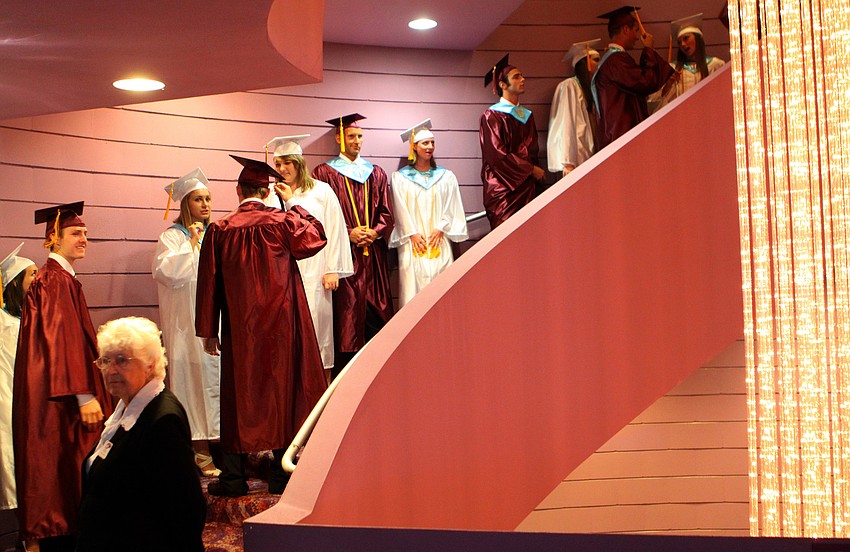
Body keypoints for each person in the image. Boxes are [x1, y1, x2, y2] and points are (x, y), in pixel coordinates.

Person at [196, 155, 328, 497]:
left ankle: (234, 478)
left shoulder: (220, 228)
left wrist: (209, 329)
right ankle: (281, 474)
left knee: (241, 394)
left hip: (241, 327)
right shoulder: (282, 220)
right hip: (283, 322)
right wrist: (292, 203)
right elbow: (315, 237)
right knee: (282, 390)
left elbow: (208, 281)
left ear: (238, 191)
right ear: (267, 191)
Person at [13, 202, 112, 552]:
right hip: (62, 396)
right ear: (53, 238)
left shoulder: (57, 278)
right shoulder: (54, 281)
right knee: (63, 468)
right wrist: (84, 394)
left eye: (85, 233)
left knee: (63, 472)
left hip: (56, 390)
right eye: (75, 233)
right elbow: (62, 339)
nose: (83, 238)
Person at [77, 317, 205, 552]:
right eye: (105, 361)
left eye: (122, 360)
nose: (111, 369)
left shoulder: (163, 419)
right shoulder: (123, 411)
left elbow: (186, 509)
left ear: (150, 364)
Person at [311, 114, 395, 379]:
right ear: (338, 138)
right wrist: (348, 233)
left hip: (374, 257)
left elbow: (387, 213)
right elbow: (319, 216)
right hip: (344, 257)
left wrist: (375, 231)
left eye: (360, 136)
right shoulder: (324, 173)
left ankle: (380, 374)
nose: (357, 141)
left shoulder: (376, 173)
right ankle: (346, 380)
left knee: (376, 312)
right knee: (346, 317)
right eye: (351, 136)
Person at [265, 134, 353, 382]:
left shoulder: (321, 191)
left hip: (316, 272)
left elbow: (334, 229)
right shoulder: (271, 196)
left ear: (299, 163)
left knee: (318, 334)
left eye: (287, 163)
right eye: (278, 164)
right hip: (284, 275)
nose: (282, 169)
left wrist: (333, 269)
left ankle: (320, 392)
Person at [152, 168, 221, 477]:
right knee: (194, 385)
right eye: (198, 199)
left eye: (208, 198)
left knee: (218, 382)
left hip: (214, 324)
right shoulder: (172, 237)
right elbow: (168, 274)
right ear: (185, 204)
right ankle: (200, 449)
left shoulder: (216, 233)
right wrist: (192, 246)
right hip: (187, 328)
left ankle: (221, 444)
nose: (205, 204)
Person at [389, 119, 468, 306]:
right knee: (412, 289)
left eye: (432, 143)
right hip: (412, 243)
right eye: (425, 143)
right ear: (414, 147)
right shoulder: (400, 179)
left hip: (438, 240)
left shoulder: (446, 177)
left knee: (442, 288)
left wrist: (441, 228)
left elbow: (452, 205)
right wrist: (412, 233)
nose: (430, 147)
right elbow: (399, 209)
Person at [591, 6, 676, 149]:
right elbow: (646, 82)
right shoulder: (616, 61)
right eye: (635, 30)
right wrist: (648, 49)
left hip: (618, 137)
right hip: (621, 138)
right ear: (625, 29)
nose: (637, 37)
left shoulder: (612, 60)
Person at [479, 53, 546, 229]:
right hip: (504, 190)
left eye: (522, 75)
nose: (522, 79)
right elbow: (497, 156)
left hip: (528, 189)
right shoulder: (491, 116)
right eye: (516, 77)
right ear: (502, 85)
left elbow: (531, 150)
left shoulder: (527, 116)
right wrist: (529, 169)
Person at [0, 244, 37, 512]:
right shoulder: (5, 323)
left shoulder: (26, 318)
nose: (38, 279)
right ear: (15, 283)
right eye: (32, 274)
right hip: (8, 395)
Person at [648, 13, 726, 112]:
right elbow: (659, 101)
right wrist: (669, 83)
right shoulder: (674, 68)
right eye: (679, 42)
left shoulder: (716, 65)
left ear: (698, 39)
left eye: (686, 38)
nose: (683, 44)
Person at [547, 40, 602, 177]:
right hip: (576, 157)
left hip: (589, 154)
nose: (599, 64)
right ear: (585, 63)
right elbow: (566, 123)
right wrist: (568, 161)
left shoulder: (591, 89)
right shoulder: (569, 86)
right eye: (595, 60)